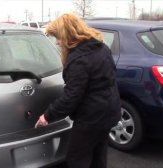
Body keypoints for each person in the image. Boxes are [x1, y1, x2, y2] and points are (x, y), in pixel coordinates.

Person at [35, 13, 121, 168]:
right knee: (98, 153)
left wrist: (47, 116)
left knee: (77, 157)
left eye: (58, 37)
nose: (58, 42)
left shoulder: (79, 59)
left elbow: (71, 96)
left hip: (92, 118)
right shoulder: (101, 47)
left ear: (67, 35)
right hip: (110, 112)